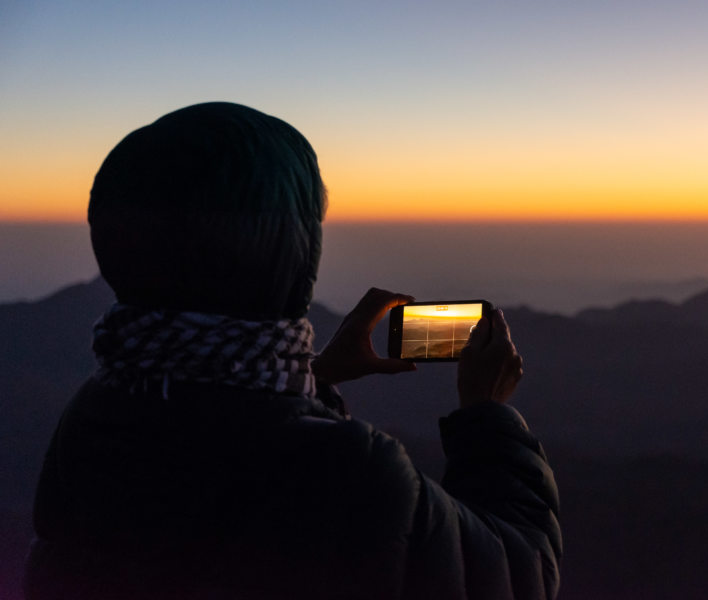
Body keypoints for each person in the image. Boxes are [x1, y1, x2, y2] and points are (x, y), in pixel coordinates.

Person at [25, 102, 562, 599]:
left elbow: (213, 437)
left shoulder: (96, 416)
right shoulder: (351, 473)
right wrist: (487, 414)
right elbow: (520, 572)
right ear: (290, 250)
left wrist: (316, 376)